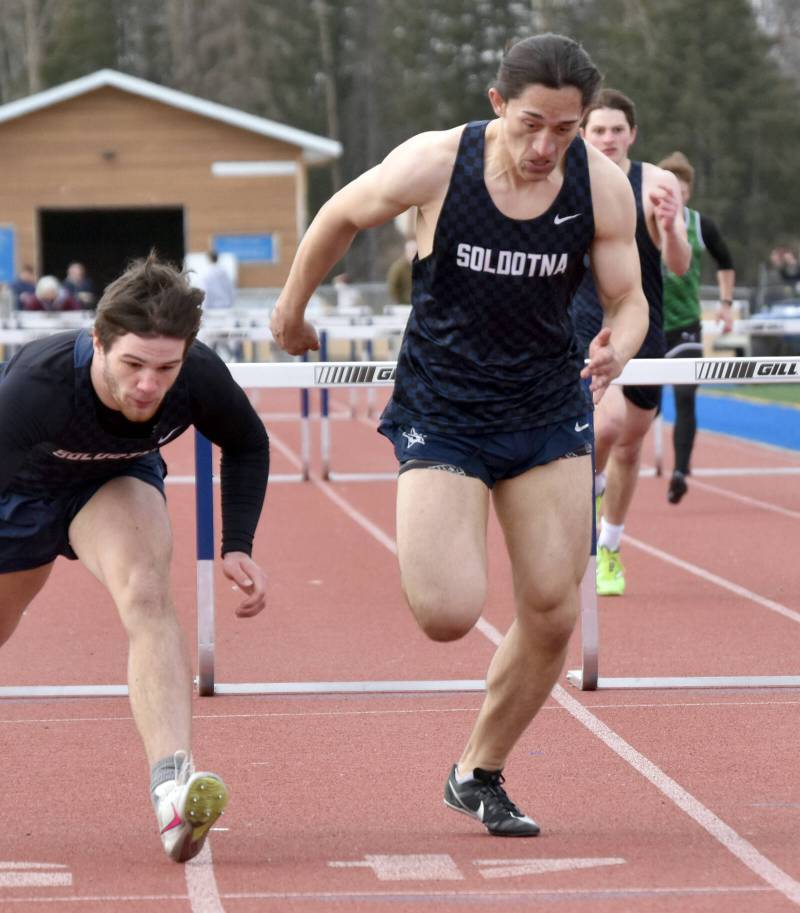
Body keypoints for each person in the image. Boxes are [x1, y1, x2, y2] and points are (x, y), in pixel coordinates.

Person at [270, 33, 647, 837]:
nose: (546, 146)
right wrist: (291, 310)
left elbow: (629, 296)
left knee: (552, 608)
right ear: (498, 105)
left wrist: (623, 340)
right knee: (446, 611)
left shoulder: (600, 185)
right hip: (445, 409)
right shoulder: (438, 163)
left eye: (567, 130)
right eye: (532, 124)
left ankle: (478, 770)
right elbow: (341, 214)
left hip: (546, 410)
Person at [0, 254, 270, 863]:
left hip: (113, 484)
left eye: (165, 368)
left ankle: (172, 791)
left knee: (147, 594)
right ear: (98, 341)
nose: (149, 385)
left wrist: (237, 542)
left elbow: (248, 441)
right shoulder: (42, 383)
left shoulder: (198, 373)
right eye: (132, 364)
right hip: (19, 497)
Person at [571, 89, 690, 596]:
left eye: (617, 129)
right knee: (608, 425)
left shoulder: (657, 183)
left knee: (631, 444)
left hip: (646, 324)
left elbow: (679, 264)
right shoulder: (565, 181)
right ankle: (588, 490)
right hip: (585, 324)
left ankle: (611, 547)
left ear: (632, 134)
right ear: (582, 134)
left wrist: (668, 228)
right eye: (598, 130)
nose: (609, 138)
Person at [658, 151, 735, 504]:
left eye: (682, 190)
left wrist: (725, 304)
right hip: (644, 326)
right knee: (638, 410)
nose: (676, 195)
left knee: (685, 398)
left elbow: (726, 261)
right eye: (669, 187)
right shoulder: (640, 219)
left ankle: (680, 471)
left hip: (685, 324)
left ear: (688, 193)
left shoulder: (700, 225)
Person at [386, 239, 418, 305]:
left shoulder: (424, 265)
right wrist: (400, 302)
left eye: (417, 251)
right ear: (406, 252)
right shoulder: (398, 268)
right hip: (404, 305)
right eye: (413, 251)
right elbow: (393, 287)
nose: (415, 254)